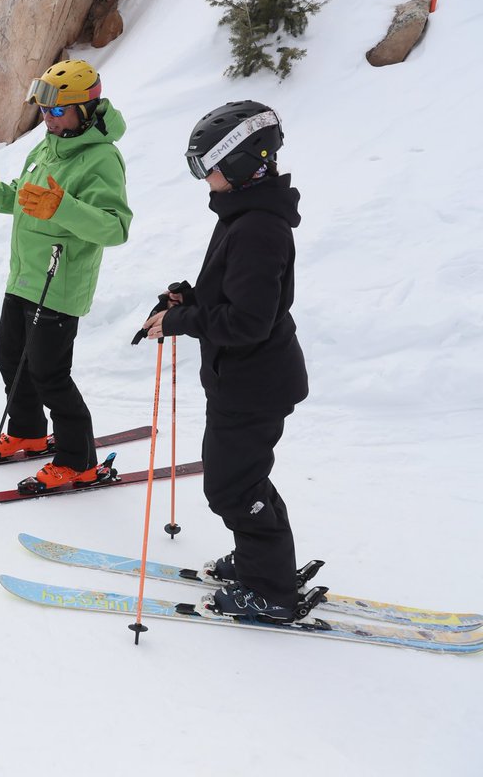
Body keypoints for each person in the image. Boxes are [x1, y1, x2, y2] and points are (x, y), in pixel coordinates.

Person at [142, 100, 308, 622]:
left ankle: (271, 589)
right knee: (242, 478)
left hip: (253, 382)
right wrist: (189, 301)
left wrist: (183, 322)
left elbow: (248, 322)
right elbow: (235, 295)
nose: (203, 177)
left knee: (231, 486)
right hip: (246, 379)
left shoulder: (258, 226)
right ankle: (261, 560)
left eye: (206, 165)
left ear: (239, 163)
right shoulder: (246, 215)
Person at [0, 59, 132, 492]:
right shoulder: (46, 146)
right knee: (9, 357)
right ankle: (29, 431)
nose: (47, 117)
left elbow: (116, 227)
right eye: (43, 109)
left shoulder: (101, 159)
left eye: (57, 110)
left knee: (49, 374)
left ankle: (79, 459)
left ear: (85, 110)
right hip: (24, 278)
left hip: (59, 284)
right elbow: (24, 199)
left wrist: (64, 209)